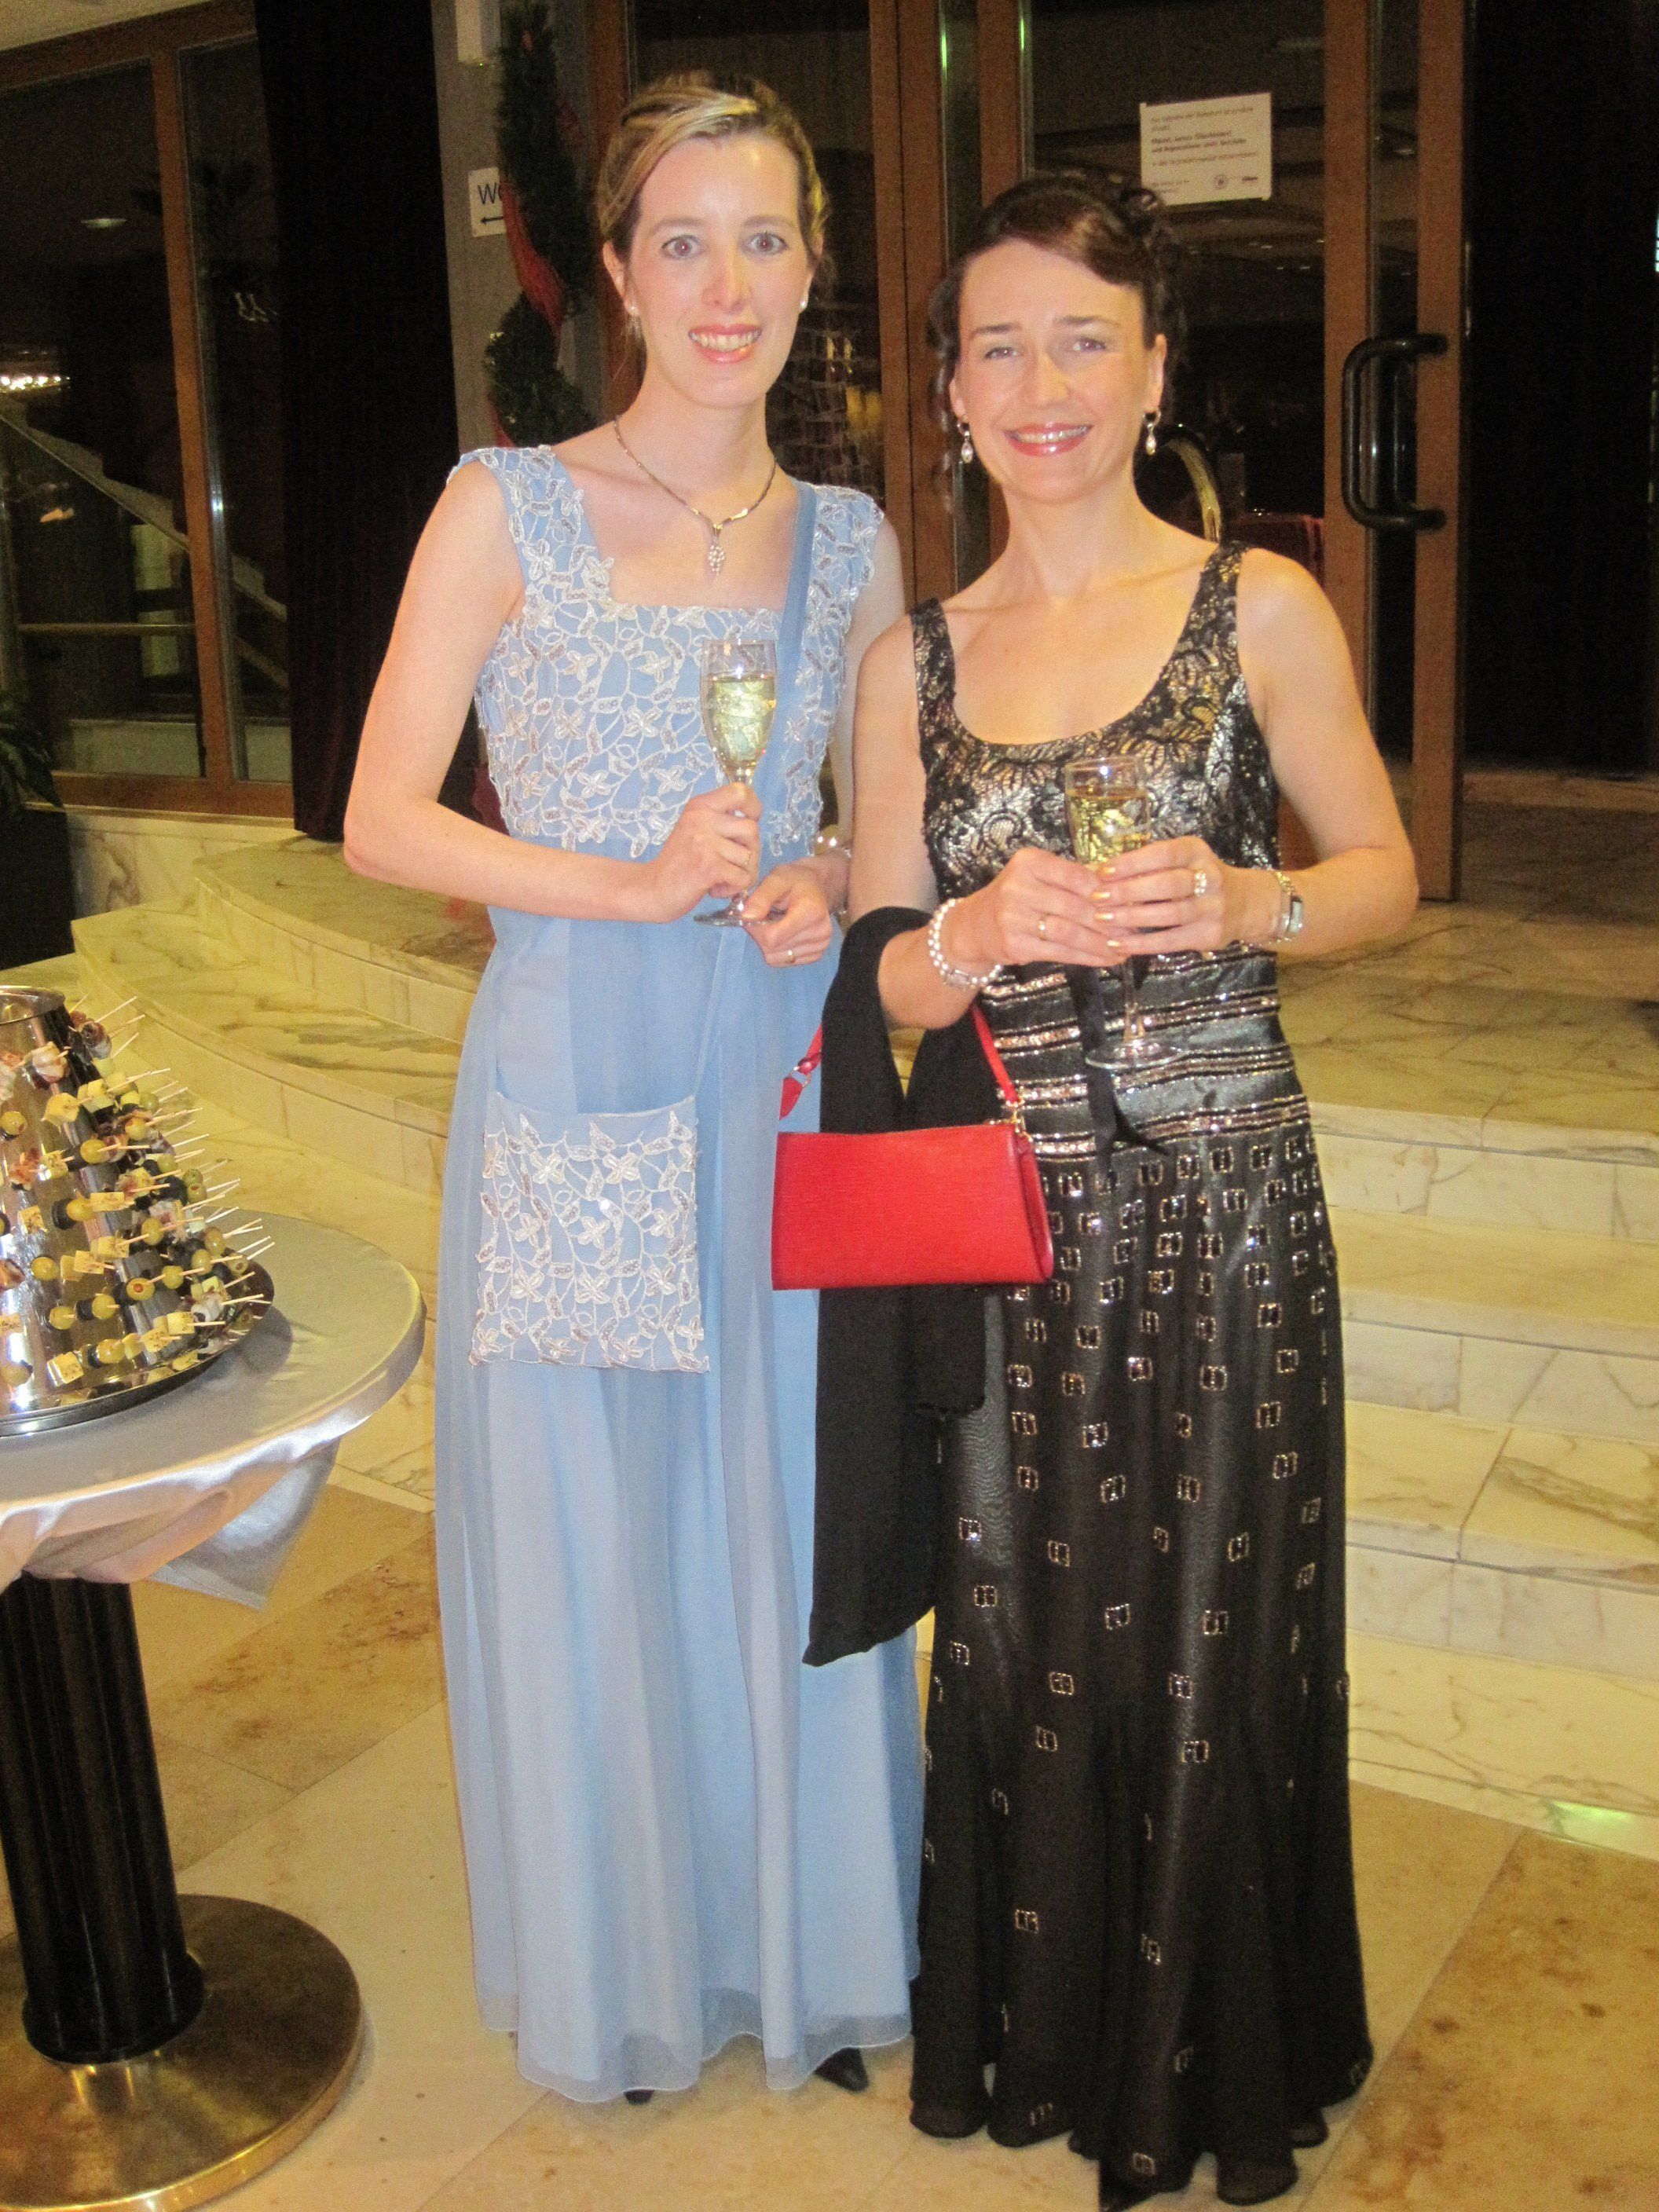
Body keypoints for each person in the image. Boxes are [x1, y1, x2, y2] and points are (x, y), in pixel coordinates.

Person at [343, 71, 921, 2104]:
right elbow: (381, 820)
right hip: (578, 1072)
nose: (726, 284)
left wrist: (822, 878)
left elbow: (881, 837)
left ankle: (805, 1940)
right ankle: (641, 1972)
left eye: (764, 239)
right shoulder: (502, 504)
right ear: (617, 271)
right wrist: (626, 880)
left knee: (789, 1498)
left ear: (813, 272)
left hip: (777, 1072)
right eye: (685, 241)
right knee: (605, 1517)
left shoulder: (850, 544)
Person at [844, 172, 1418, 2206]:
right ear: (950, 392)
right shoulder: (909, 661)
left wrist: (1252, 899)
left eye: (1084, 339)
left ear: (1155, 366)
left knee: (1215, 1634)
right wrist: (978, 929)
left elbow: (1384, 873)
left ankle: (1212, 2057)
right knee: (1017, 1624)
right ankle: (1049, 2025)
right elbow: (884, 969)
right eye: (998, 346)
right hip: (1008, 1220)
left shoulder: (1261, 605)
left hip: (1229, 1209)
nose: (1042, 384)